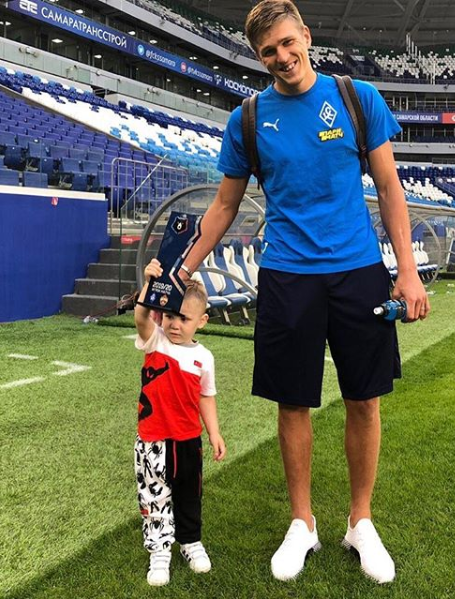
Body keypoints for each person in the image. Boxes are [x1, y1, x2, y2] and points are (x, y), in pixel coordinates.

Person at [176, 0, 430, 585]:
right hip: (287, 274)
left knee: (364, 399)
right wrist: (182, 268)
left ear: (306, 37)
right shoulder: (247, 119)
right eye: (269, 51)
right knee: (292, 402)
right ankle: (302, 522)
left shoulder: (357, 98)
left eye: (289, 43)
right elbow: (224, 206)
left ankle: (360, 521)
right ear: (258, 56)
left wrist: (408, 270)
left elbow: (390, 187)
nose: (283, 57)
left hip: (358, 270)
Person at [134, 259, 226, 586]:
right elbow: (141, 317)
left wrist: (214, 433)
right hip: (152, 441)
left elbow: (206, 397)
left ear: (201, 321)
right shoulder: (155, 340)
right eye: (170, 315)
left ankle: (190, 541)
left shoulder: (204, 358)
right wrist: (149, 283)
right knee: (154, 496)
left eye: (184, 318)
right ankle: (159, 550)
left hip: (188, 440)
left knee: (189, 494)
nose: (174, 324)